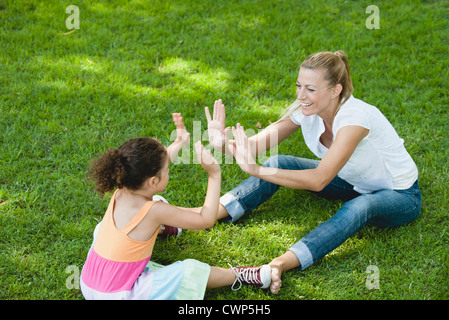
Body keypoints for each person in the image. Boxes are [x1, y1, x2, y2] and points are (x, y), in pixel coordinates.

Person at [205, 51, 422, 294]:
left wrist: (256, 169)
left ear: (335, 90)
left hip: (401, 195)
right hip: (353, 182)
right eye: (299, 86)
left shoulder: (355, 118)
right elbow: (253, 146)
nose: (300, 96)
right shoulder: (307, 110)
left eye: (310, 89)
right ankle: (209, 214)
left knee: (360, 206)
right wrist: (221, 144)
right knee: (281, 161)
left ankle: (279, 264)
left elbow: (319, 180)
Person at [80, 113, 271, 300]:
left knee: (106, 228)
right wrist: (214, 174)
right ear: (153, 181)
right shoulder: (153, 211)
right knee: (188, 271)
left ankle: (166, 229)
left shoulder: (123, 187)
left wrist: (179, 142)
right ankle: (239, 275)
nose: (168, 171)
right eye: (167, 170)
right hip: (118, 295)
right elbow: (206, 219)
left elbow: (149, 171)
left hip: (89, 282)